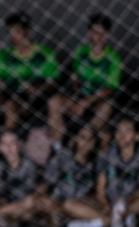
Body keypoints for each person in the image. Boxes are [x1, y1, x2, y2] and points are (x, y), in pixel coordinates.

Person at [0, 12, 61, 146]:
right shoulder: (5, 55)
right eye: (10, 32)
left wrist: (38, 88)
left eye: (17, 32)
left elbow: (54, 82)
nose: (13, 36)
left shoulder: (45, 53)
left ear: (28, 31)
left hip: (35, 99)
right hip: (10, 95)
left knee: (11, 107)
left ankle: (10, 146)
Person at [64, 117, 139, 227]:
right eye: (119, 131)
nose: (122, 135)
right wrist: (106, 206)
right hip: (107, 203)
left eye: (127, 131)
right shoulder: (108, 155)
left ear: (137, 136)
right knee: (69, 204)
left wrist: (124, 204)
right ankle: (115, 221)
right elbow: (100, 189)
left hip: (129, 203)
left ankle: (95, 225)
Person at [48, 13, 121, 145]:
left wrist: (85, 103)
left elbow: (109, 89)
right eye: (95, 32)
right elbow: (75, 77)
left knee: (107, 107)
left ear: (107, 35)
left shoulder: (113, 58)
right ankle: (57, 146)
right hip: (79, 96)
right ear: (89, 33)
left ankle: (84, 141)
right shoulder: (81, 52)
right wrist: (77, 97)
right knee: (54, 101)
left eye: (103, 33)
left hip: (97, 100)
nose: (99, 37)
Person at [32, 125, 99, 227]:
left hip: (81, 204)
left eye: (90, 139)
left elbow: (97, 194)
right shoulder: (62, 158)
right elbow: (46, 182)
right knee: (41, 202)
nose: (86, 142)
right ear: (76, 139)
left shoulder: (97, 164)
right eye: (83, 137)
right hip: (58, 202)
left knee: (71, 205)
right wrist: (36, 197)